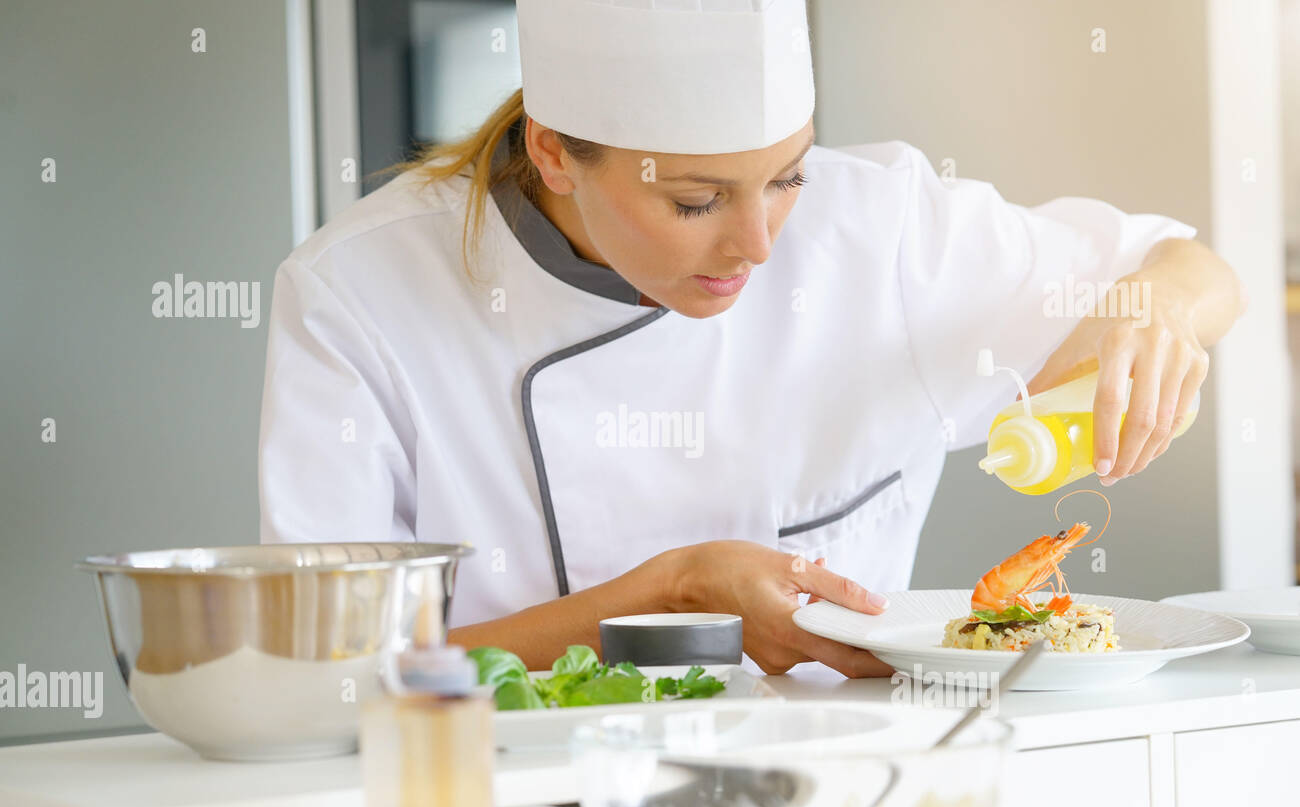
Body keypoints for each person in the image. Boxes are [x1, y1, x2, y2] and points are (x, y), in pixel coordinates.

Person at [259, 0, 1245, 677]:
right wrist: (666, 594)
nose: (760, 243)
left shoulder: (881, 229)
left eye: (786, 177)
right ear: (554, 152)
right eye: (695, 202)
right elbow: (333, 674)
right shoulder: (360, 293)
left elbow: (1191, 269)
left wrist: (1151, 314)